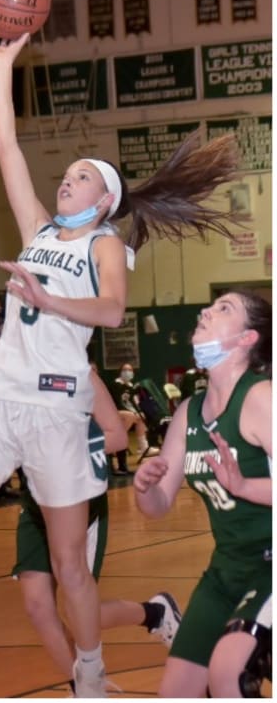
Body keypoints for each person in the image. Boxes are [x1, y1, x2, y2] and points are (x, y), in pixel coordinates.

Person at [0, 31, 241, 698]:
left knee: (70, 565)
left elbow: (110, 312)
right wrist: (1, 64)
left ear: (102, 199)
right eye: (66, 173)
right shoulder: (39, 231)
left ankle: (92, 675)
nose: (65, 179)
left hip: (55, 408)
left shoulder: (106, 245)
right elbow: (5, 147)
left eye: (79, 176)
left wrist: (47, 298)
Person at [133, 291, 270, 697]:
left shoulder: (261, 398)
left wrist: (243, 485)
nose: (207, 311)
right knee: (175, 691)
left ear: (248, 339)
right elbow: (157, 507)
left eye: (225, 308)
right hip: (224, 571)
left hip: (270, 565)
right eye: (211, 306)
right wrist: (145, 485)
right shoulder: (188, 412)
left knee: (227, 672)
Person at [15, 365, 183, 693]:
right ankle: (84, 688)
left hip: (79, 496)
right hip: (37, 497)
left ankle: (153, 613)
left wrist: (61, 451)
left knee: (79, 614)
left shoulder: (78, 370)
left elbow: (117, 436)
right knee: (37, 606)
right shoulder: (11, 367)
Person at [112, 362, 148, 472]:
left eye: (130, 370)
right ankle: (117, 440)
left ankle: (143, 447)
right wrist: (133, 413)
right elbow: (117, 402)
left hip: (128, 412)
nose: (128, 372)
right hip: (115, 411)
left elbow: (134, 403)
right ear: (120, 372)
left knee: (141, 417)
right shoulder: (116, 384)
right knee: (130, 416)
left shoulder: (131, 386)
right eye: (125, 370)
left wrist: (140, 412)